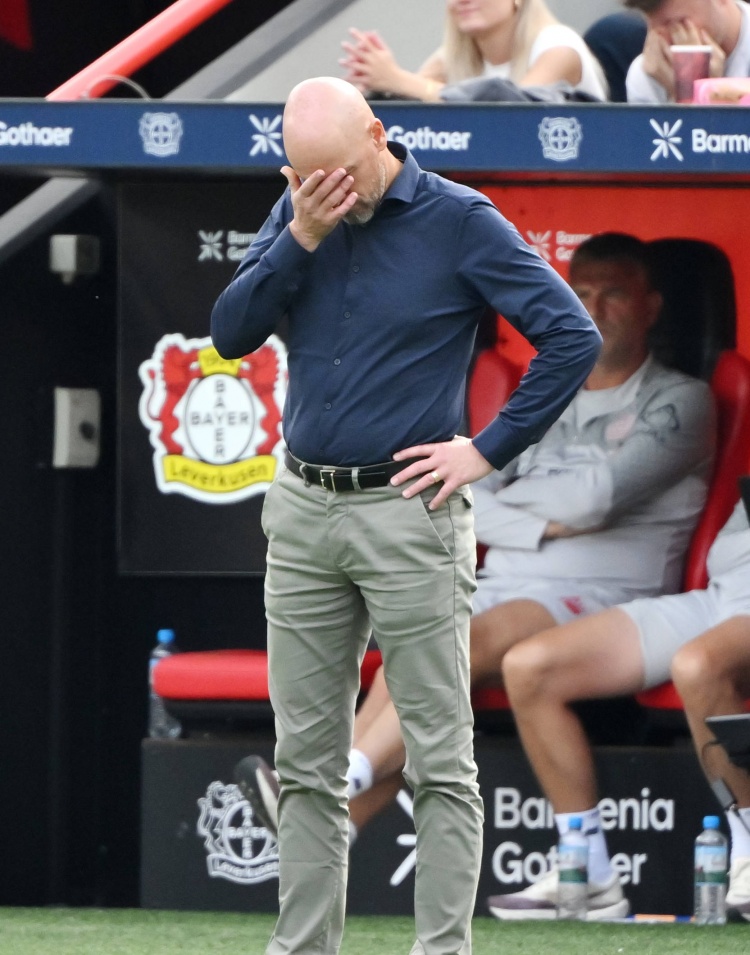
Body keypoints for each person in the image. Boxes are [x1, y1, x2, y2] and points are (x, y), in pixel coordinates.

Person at [212, 76, 601, 955]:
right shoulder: (300, 214)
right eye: (308, 180)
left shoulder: (459, 218)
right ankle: (301, 948)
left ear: (379, 135)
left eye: (341, 175)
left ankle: (442, 950)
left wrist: (485, 449)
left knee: (439, 755)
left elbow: (571, 335)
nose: (331, 192)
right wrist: (299, 233)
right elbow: (231, 333)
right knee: (305, 759)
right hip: (303, 503)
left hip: (409, 508)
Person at [237, 232, 717, 921]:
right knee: (408, 658)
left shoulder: (682, 400)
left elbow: (597, 501)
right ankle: (328, 833)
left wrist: (524, 505)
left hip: (609, 596)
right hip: (508, 584)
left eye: (613, 293)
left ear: (651, 306)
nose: (594, 308)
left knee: (458, 643)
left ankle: (327, 788)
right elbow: (461, 490)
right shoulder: (548, 392)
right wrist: (543, 522)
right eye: (581, 293)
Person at [489, 496, 750, 921]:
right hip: (719, 597)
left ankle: (748, 850)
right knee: (530, 667)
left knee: (697, 664)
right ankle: (585, 867)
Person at [340, 0, 608, 103]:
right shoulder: (449, 58)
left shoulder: (558, 45)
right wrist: (380, 81)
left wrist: (399, 79)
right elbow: (417, 104)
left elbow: (518, 115)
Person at [624, 0, 750, 103]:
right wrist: (683, 96)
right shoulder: (652, 73)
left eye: (679, 25)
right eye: (654, 29)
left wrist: (708, 93)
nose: (665, 40)